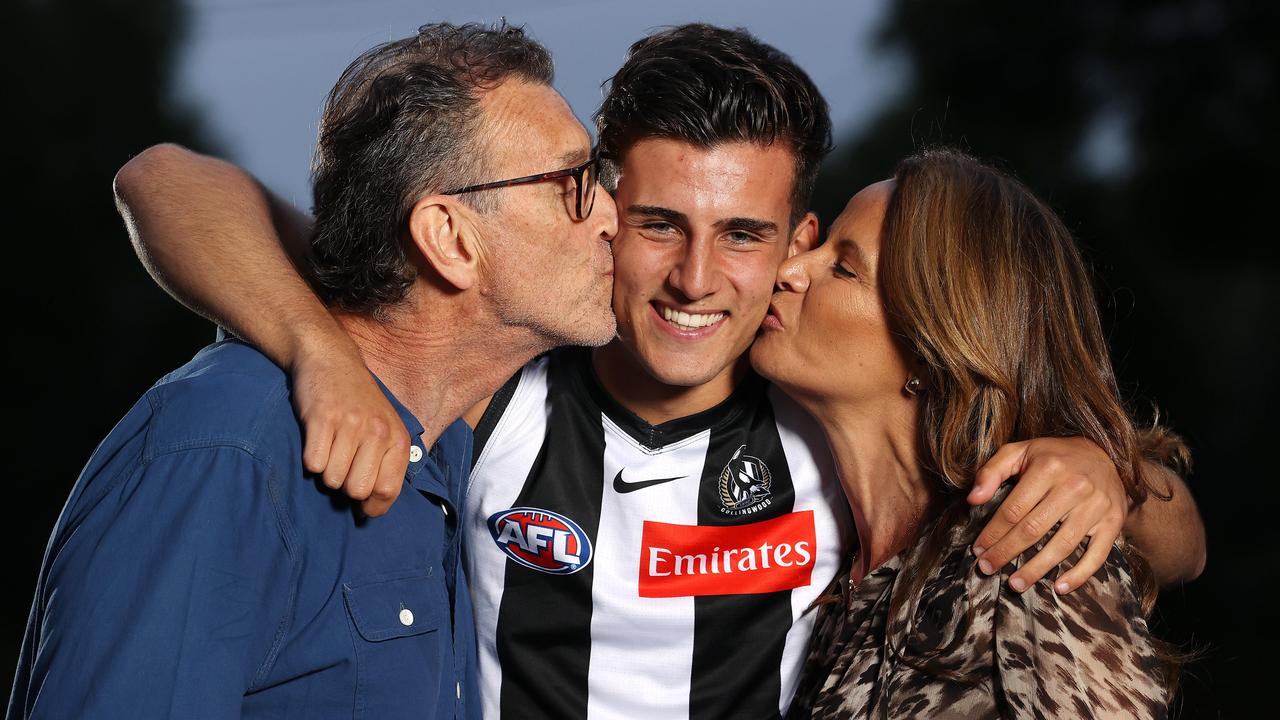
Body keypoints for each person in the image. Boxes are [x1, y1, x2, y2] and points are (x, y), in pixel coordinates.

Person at [111, 24, 1205, 719]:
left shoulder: (827, 415)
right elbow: (169, 180)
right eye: (656, 224)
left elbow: (1164, 540)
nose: (693, 280)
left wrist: (1098, 474)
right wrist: (315, 349)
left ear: (793, 244)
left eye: (742, 234)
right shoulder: (500, 376)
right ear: (593, 209)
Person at [9, 22, 617, 719]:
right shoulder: (226, 451)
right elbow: (160, 178)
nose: (608, 215)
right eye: (571, 183)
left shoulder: (442, 448)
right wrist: (316, 349)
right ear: (449, 239)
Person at [755, 149, 1182, 719]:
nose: (790, 268)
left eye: (844, 267)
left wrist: (1113, 475)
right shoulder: (853, 578)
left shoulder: (1022, 542)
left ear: (932, 351)